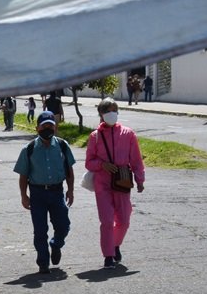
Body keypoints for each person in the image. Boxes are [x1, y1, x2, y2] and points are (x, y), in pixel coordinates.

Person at [84, 98, 146, 269]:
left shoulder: (128, 134)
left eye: (114, 110)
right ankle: (108, 255)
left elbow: (136, 160)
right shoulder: (95, 137)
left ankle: (115, 244)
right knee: (106, 220)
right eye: (108, 111)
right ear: (101, 114)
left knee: (124, 220)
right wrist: (102, 165)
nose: (112, 114)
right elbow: (89, 162)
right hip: (102, 183)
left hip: (122, 181)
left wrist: (140, 180)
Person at [14, 111, 75, 274]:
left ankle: (56, 244)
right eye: (44, 126)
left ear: (55, 128)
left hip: (57, 192)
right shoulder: (29, 148)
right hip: (37, 194)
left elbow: (69, 170)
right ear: (37, 128)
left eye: (51, 126)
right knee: (40, 230)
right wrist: (23, 195)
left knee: (63, 226)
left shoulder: (62, 145)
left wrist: (71, 190)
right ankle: (43, 262)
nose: (47, 129)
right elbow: (23, 175)